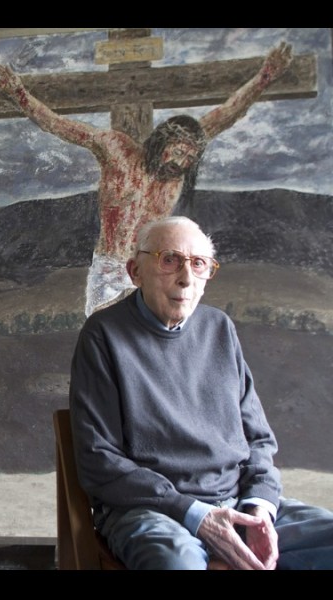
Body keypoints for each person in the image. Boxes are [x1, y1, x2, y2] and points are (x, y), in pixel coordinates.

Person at [68, 215, 333, 569]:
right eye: (169, 260)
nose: (186, 277)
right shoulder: (102, 335)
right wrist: (197, 516)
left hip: (237, 502)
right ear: (135, 272)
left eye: (198, 264)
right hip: (154, 510)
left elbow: (258, 441)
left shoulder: (219, 328)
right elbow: (99, 459)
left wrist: (258, 508)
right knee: (176, 563)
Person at [0, 42, 294, 317]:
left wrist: (265, 75)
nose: (180, 163)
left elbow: (228, 113)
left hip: (154, 270)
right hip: (110, 267)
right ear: (162, 141)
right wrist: (18, 94)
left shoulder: (179, 168)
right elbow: (61, 126)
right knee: (104, 341)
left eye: (189, 158)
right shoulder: (116, 150)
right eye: (177, 152)